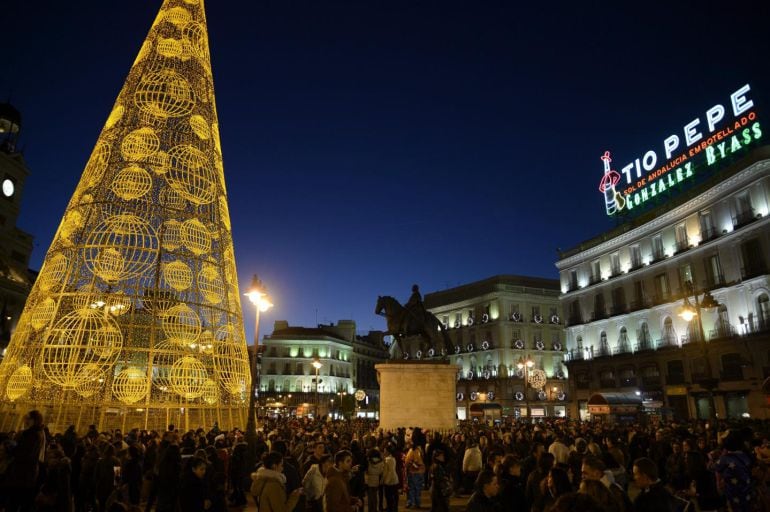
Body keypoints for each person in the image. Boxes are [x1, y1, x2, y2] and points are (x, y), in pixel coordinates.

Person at [4, 410, 46, 512]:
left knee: (15, 501)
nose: (25, 421)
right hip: (27, 473)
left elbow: (24, 453)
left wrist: (12, 449)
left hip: (23, 473)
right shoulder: (36, 433)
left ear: (34, 420)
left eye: (28, 419)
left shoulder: (32, 435)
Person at [405, 439, 426, 508]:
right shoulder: (420, 450)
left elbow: (408, 462)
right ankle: (417, 503)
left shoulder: (411, 451)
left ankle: (412, 503)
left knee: (412, 488)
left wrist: (406, 463)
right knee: (418, 488)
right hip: (421, 471)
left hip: (413, 472)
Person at [382, 444, 400, 512]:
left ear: (388, 452)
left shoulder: (387, 460)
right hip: (395, 479)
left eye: (385, 451)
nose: (384, 452)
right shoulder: (393, 458)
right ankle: (394, 509)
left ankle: (390, 509)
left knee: (388, 497)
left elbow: (386, 472)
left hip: (389, 480)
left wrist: (384, 480)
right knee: (395, 496)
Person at [365, 447, 384, 512]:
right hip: (376, 479)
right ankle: (375, 509)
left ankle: (370, 509)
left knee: (370, 496)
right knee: (375, 496)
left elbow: (366, 470)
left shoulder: (368, 461)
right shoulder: (380, 461)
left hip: (369, 479)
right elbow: (381, 471)